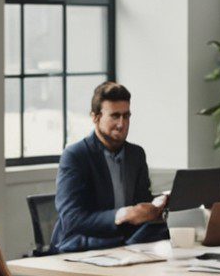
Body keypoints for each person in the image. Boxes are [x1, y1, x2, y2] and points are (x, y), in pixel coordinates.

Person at [50, 81, 167, 253]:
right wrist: (122, 215)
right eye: (115, 116)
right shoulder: (76, 155)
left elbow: (141, 202)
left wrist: (156, 207)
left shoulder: (136, 154)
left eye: (126, 116)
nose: (122, 124)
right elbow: (71, 219)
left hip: (127, 243)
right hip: (85, 246)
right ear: (95, 117)